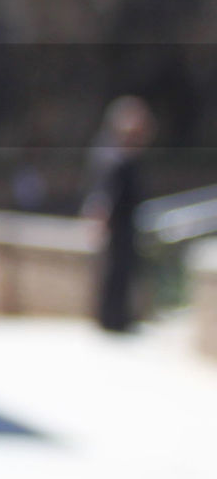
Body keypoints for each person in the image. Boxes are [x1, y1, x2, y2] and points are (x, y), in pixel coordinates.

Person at [83, 96, 155, 333]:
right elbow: (103, 191)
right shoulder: (110, 154)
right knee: (113, 271)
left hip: (127, 223)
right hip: (117, 223)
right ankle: (111, 319)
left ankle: (118, 318)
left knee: (122, 271)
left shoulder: (123, 154)